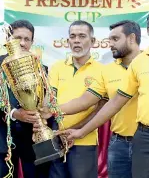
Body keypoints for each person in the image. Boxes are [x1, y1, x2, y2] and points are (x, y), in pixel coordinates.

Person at [48, 20, 141, 178]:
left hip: (142, 141)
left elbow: (103, 106)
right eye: (73, 36)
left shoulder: (142, 64)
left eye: (115, 39)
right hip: (117, 143)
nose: (110, 44)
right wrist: (48, 112)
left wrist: (80, 130)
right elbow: (87, 101)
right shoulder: (108, 71)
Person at [0, 19, 50, 178]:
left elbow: (45, 100)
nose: (22, 43)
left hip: (34, 138)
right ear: (9, 39)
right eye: (17, 38)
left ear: (32, 42)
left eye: (26, 39)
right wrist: (15, 113)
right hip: (3, 138)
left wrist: (43, 113)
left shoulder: (41, 68)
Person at [46, 20, 104, 178]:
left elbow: (100, 108)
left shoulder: (102, 71)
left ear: (92, 41)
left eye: (82, 36)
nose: (76, 40)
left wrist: (78, 129)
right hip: (55, 139)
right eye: (72, 36)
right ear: (67, 41)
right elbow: (49, 100)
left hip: (85, 140)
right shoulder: (57, 67)